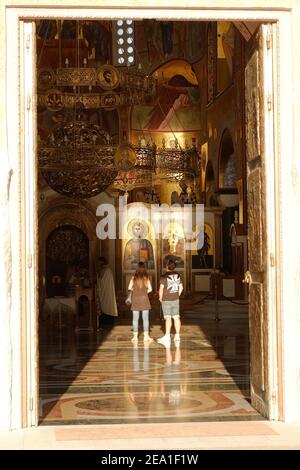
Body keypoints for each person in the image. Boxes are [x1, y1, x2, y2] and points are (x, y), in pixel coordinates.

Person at [157, 259, 183, 345]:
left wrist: (160, 298)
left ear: (167, 266)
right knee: (176, 317)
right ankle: (177, 336)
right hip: (175, 299)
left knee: (168, 318)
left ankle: (167, 336)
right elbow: (181, 288)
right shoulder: (177, 275)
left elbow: (161, 289)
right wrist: (177, 295)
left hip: (166, 300)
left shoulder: (164, 276)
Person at [127, 262, 153, 343]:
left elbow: (129, 288)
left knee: (135, 319)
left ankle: (135, 337)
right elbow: (150, 289)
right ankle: (146, 337)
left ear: (137, 268)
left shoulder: (133, 278)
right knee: (145, 319)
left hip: (136, 299)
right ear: (144, 269)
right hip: (145, 299)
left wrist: (135, 291)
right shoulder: (146, 278)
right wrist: (145, 292)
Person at [96, 256, 118, 328]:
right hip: (103, 292)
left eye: (99, 262)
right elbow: (99, 281)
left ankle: (107, 322)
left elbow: (104, 282)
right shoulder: (103, 271)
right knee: (104, 306)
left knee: (107, 305)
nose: (98, 264)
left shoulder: (107, 271)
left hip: (108, 292)